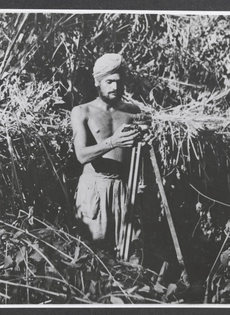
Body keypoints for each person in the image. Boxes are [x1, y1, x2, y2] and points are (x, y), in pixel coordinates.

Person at [71, 53, 151, 257]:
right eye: (109, 82)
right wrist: (112, 142)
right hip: (95, 189)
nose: (115, 87)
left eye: (119, 82)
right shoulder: (82, 111)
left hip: (124, 187)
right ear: (97, 82)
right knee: (94, 255)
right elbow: (81, 156)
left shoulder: (132, 112)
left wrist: (147, 137)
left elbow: (141, 152)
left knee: (129, 253)